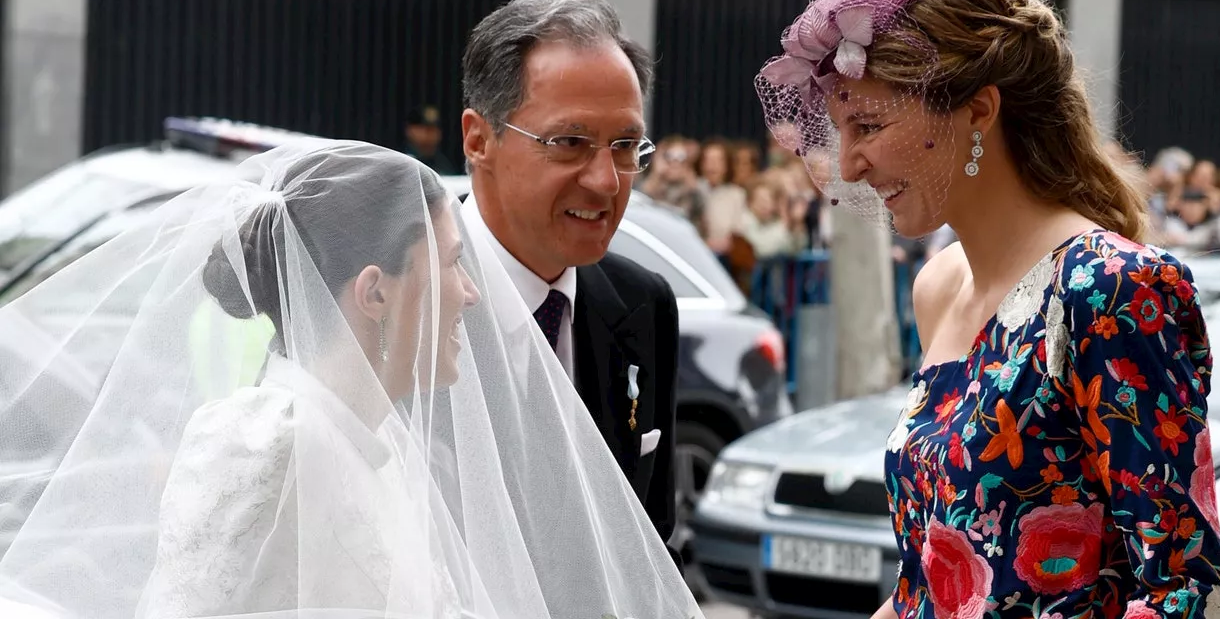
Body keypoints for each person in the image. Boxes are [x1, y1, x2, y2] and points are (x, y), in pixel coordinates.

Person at [0, 141, 700, 619]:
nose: (472, 293)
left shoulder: (390, 446)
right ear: (374, 293)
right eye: (452, 265)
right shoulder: (262, 441)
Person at [756, 0, 1220, 619]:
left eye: (869, 126)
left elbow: (1185, 591)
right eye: (840, 131)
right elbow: (935, 582)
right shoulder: (937, 287)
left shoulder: (1111, 288)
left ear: (979, 108)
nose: (848, 164)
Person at [458, 0, 682, 570]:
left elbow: (650, 550)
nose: (607, 181)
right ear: (479, 139)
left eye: (626, 146)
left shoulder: (642, 304)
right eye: (570, 143)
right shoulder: (393, 297)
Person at [405, 103, 458, 175]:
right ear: (411, 130)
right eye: (427, 130)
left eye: (435, 129)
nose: (432, 135)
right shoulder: (402, 161)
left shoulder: (443, 163)